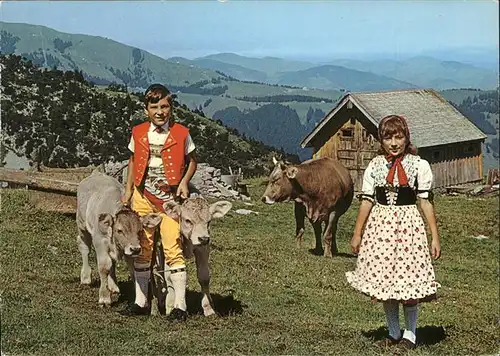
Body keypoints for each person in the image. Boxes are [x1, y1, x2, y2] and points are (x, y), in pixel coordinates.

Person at [345, 115, 441, 350]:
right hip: (380, 231)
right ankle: (393, 331)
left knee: (407, 283)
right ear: (381, 140)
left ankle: (410, 334)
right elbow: (366, 202)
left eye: (399, 137)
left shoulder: (419, 165)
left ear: (407, 138)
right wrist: (357, 233)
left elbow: (425, 202)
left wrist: (434, 237)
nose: (394, 143)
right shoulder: (375, 166)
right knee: (386, 283)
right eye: (388, 138)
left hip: (408, 230)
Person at [122, 83, 198, 321]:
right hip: (142, 196)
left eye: (164, 106)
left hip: (170, 199)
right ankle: (140, 301)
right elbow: (133, 161)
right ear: (146, 109)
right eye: (154, 107)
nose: (159, 112)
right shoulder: (138, 132)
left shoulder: (182, 133)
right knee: (143, 246)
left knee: (172, 244)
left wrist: (185, 182)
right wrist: (128, 191)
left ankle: (180, 306)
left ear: (171, 108)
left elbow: (192, 161)